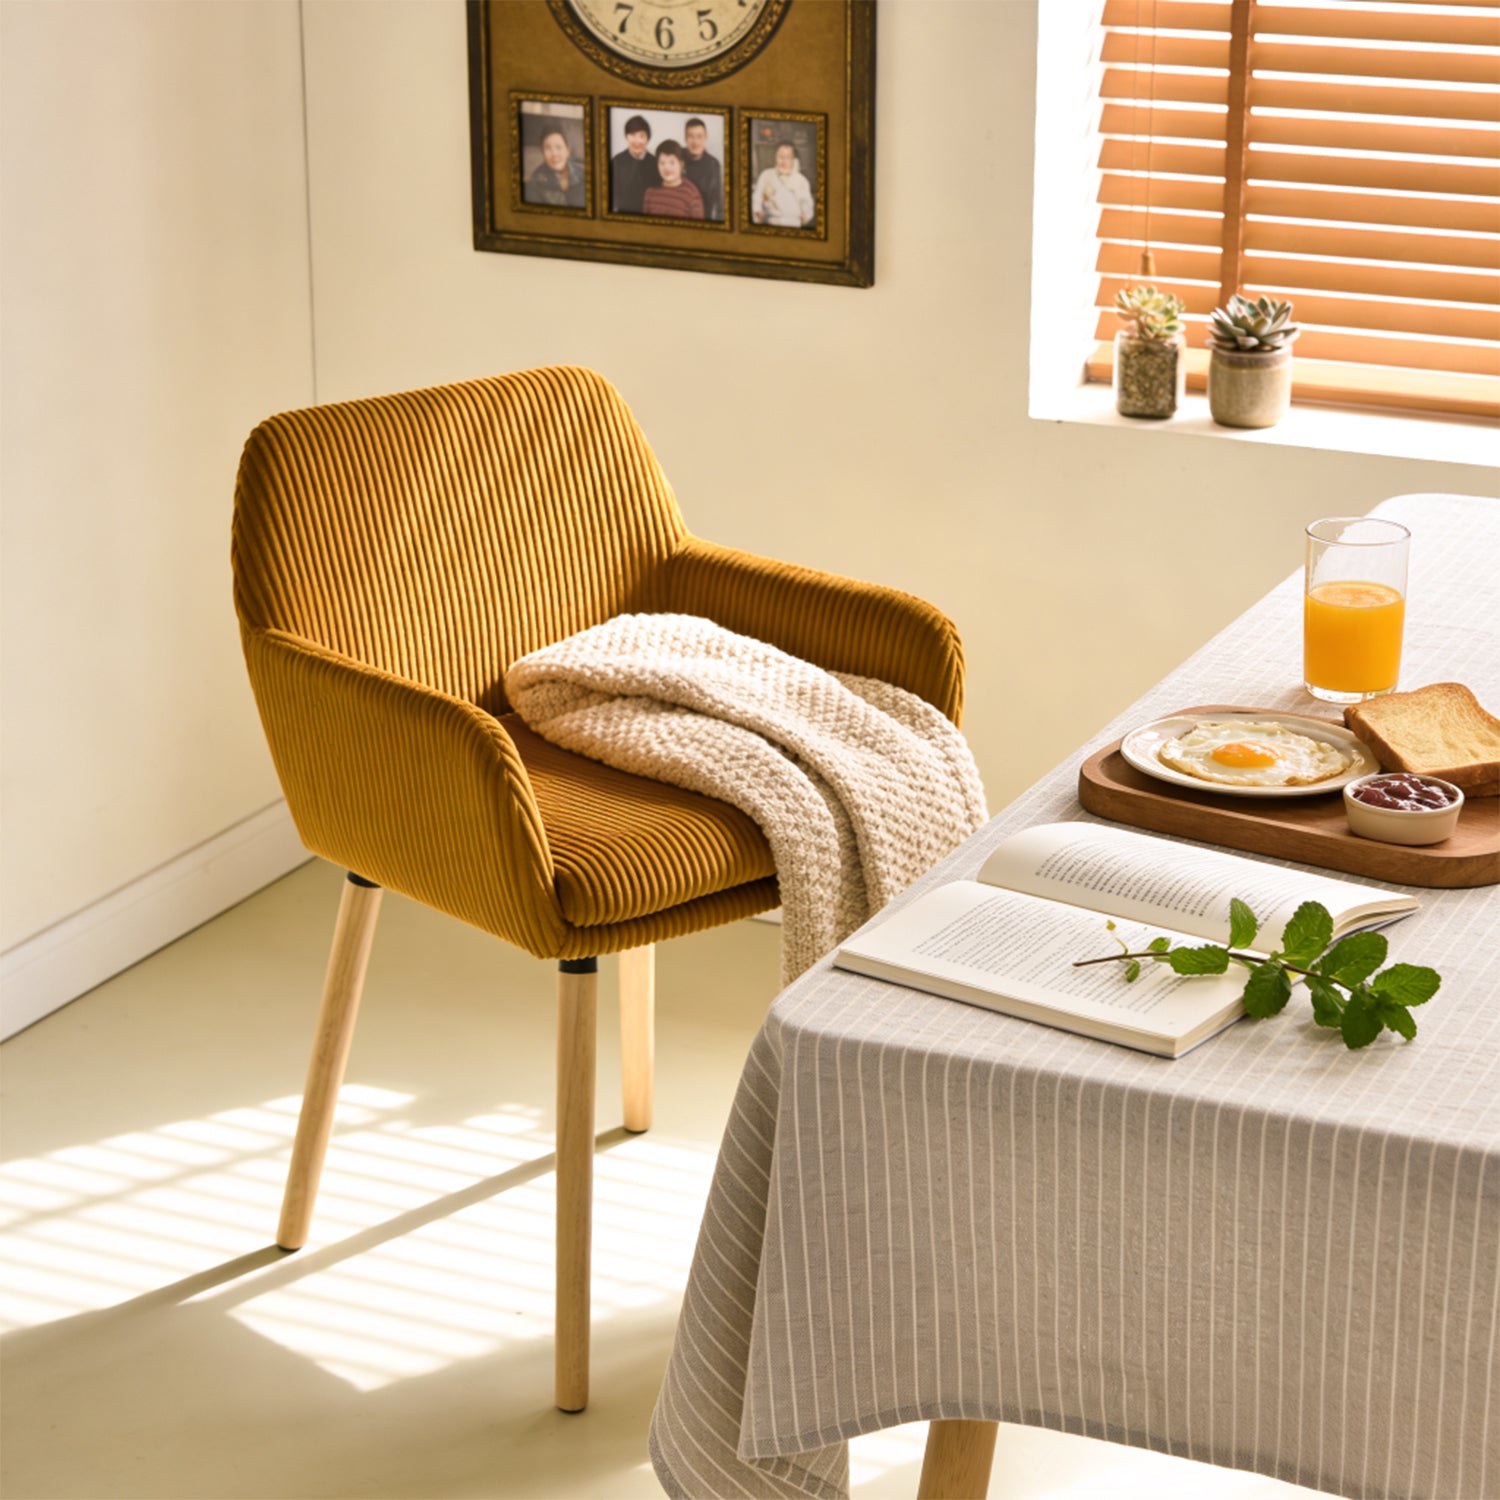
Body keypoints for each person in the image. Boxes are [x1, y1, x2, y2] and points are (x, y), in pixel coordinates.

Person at [752, 141, 815, 229]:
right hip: (768, 223)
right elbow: (756, 198)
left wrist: (804, 216)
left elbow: (807, 208)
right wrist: (757, 211)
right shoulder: (766, 175)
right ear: (775, 158)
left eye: (788, 158)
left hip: (792, 225)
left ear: (794, 160)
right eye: (780, 157)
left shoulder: (801, 181)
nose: (783, 161)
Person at [525, 123, 585, 209]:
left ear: (567, 151)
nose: (554, 154)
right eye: (548, 148)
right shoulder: (535, 182)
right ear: (542, 153)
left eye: (558, 147)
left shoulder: (583, 175)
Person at [641, 141, 705, 220]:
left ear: (681, 164)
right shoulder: (650, 193)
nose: (666, 168)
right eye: (662, 163)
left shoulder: (691, 193)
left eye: (672, 162)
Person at [610, 114, 660, 215]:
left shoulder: (656, 163)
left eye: (641, 136)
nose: (637, 141)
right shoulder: (617, 161)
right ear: (626, 137)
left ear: (648, 138)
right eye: (632, 135)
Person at [680, 117, 723, 222]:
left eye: (699, 136)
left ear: (705, 137)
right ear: (685, 138)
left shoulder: (713, 164)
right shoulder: (677, 157)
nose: (695, 142)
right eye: (691, 136)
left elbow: (717, 200)